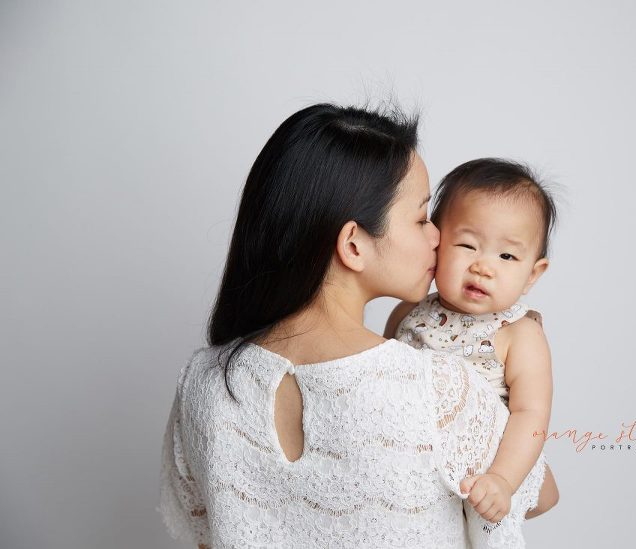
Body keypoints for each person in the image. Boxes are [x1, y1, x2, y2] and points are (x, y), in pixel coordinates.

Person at [157, 103, 559, 549]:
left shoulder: (202, 382)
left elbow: (205, 537)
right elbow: (541, 494)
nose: (437, 238)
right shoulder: (438, 389)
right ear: (353, 244)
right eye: (423, 218)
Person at [384, 158, 557, 524]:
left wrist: (502, 480)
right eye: (467, 245)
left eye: (507, 255)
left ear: (532, 274)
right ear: (437, 242)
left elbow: (532, 415)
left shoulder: (519, 334)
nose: (483, 266)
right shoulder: (408, 313)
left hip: (474, 478)